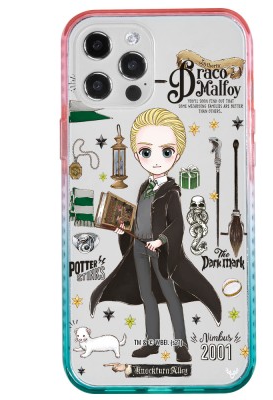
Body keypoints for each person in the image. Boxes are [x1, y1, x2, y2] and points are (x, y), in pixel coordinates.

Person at [90, 108, 221, 362]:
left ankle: (181, 345)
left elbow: (178, 224)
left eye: (166, 152)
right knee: (146, 295)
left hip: (160, 252)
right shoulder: (144, 187)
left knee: (170, 295)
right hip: (139, 247)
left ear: (176, 155)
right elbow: (139, 217)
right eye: (147, 152)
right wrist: (124, 229)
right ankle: (151, 342)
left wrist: (161, 240)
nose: (156, 160)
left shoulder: (171, 192)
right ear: (137, 155)